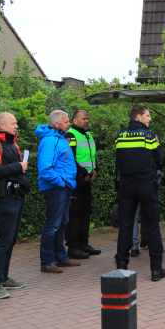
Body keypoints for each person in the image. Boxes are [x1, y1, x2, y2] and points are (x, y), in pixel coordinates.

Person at [114, 104, 165, 281]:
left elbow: (120, 160)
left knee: (126, 226)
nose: (150, 118)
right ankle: (156, 269)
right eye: (148, 115)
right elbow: (161, 158)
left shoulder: (119, 136)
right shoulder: (150, 136)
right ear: (138, 117)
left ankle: (121, 265)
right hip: (146, 184)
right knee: (152, 227)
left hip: (126, 185)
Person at [0, 113, 31, 299]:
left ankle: (3, 278)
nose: (17, 126)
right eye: (13, 123)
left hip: (17, 197)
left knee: (10, 240)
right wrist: (19, 167)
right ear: (2, 125)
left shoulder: (12, 144)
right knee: (3, 241)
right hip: (5, 198)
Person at [36, 110, 79, 273]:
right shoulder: (50, 141)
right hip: (56, 187)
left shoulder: (58, 138)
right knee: (52, 225)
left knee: (61, 223)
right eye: (66, 122)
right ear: (56, 124)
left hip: (63, 186)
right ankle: (47, 262)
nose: (69, 124)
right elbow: (45, 169)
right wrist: (60, 182)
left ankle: (60, 258)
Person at [63, 110, 101, 260]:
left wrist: (95, 168)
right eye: (83, 119)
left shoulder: (88, 134)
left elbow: (91, 155)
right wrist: (83, 172)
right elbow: (70, 158)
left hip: (86, 180)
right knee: (75, 215)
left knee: (85, 212)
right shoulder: (70, 135)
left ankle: (84, 244)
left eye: (87, 119)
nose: (87, 121)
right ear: (74, 120)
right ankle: (73, 247)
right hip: (76, 181)